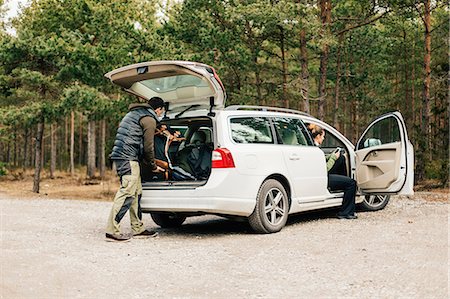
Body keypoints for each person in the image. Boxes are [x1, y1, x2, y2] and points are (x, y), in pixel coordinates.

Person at [105, 96, 165, 241]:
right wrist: (153, 166)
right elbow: (148, 147)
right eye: (162, 111)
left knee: (136, 192)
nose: (161, 114)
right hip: (128, 157)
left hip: (124, 156)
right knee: (127, 192)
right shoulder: (149, 119)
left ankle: (138, 228)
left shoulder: (134, 114)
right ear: (158, 109)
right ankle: (112, 230)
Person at [307, 124, 357, 219]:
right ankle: (345, 213)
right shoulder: (314, 149)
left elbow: (320, 160)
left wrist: (331, 156)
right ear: (318, 136)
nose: (324, 139)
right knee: (351, 183)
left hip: (319, 176)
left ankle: (340, 187)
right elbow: (324, 169)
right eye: (323, 136)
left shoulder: (311, 146)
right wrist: (333, 158)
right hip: (321, 177)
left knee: (341, 158)